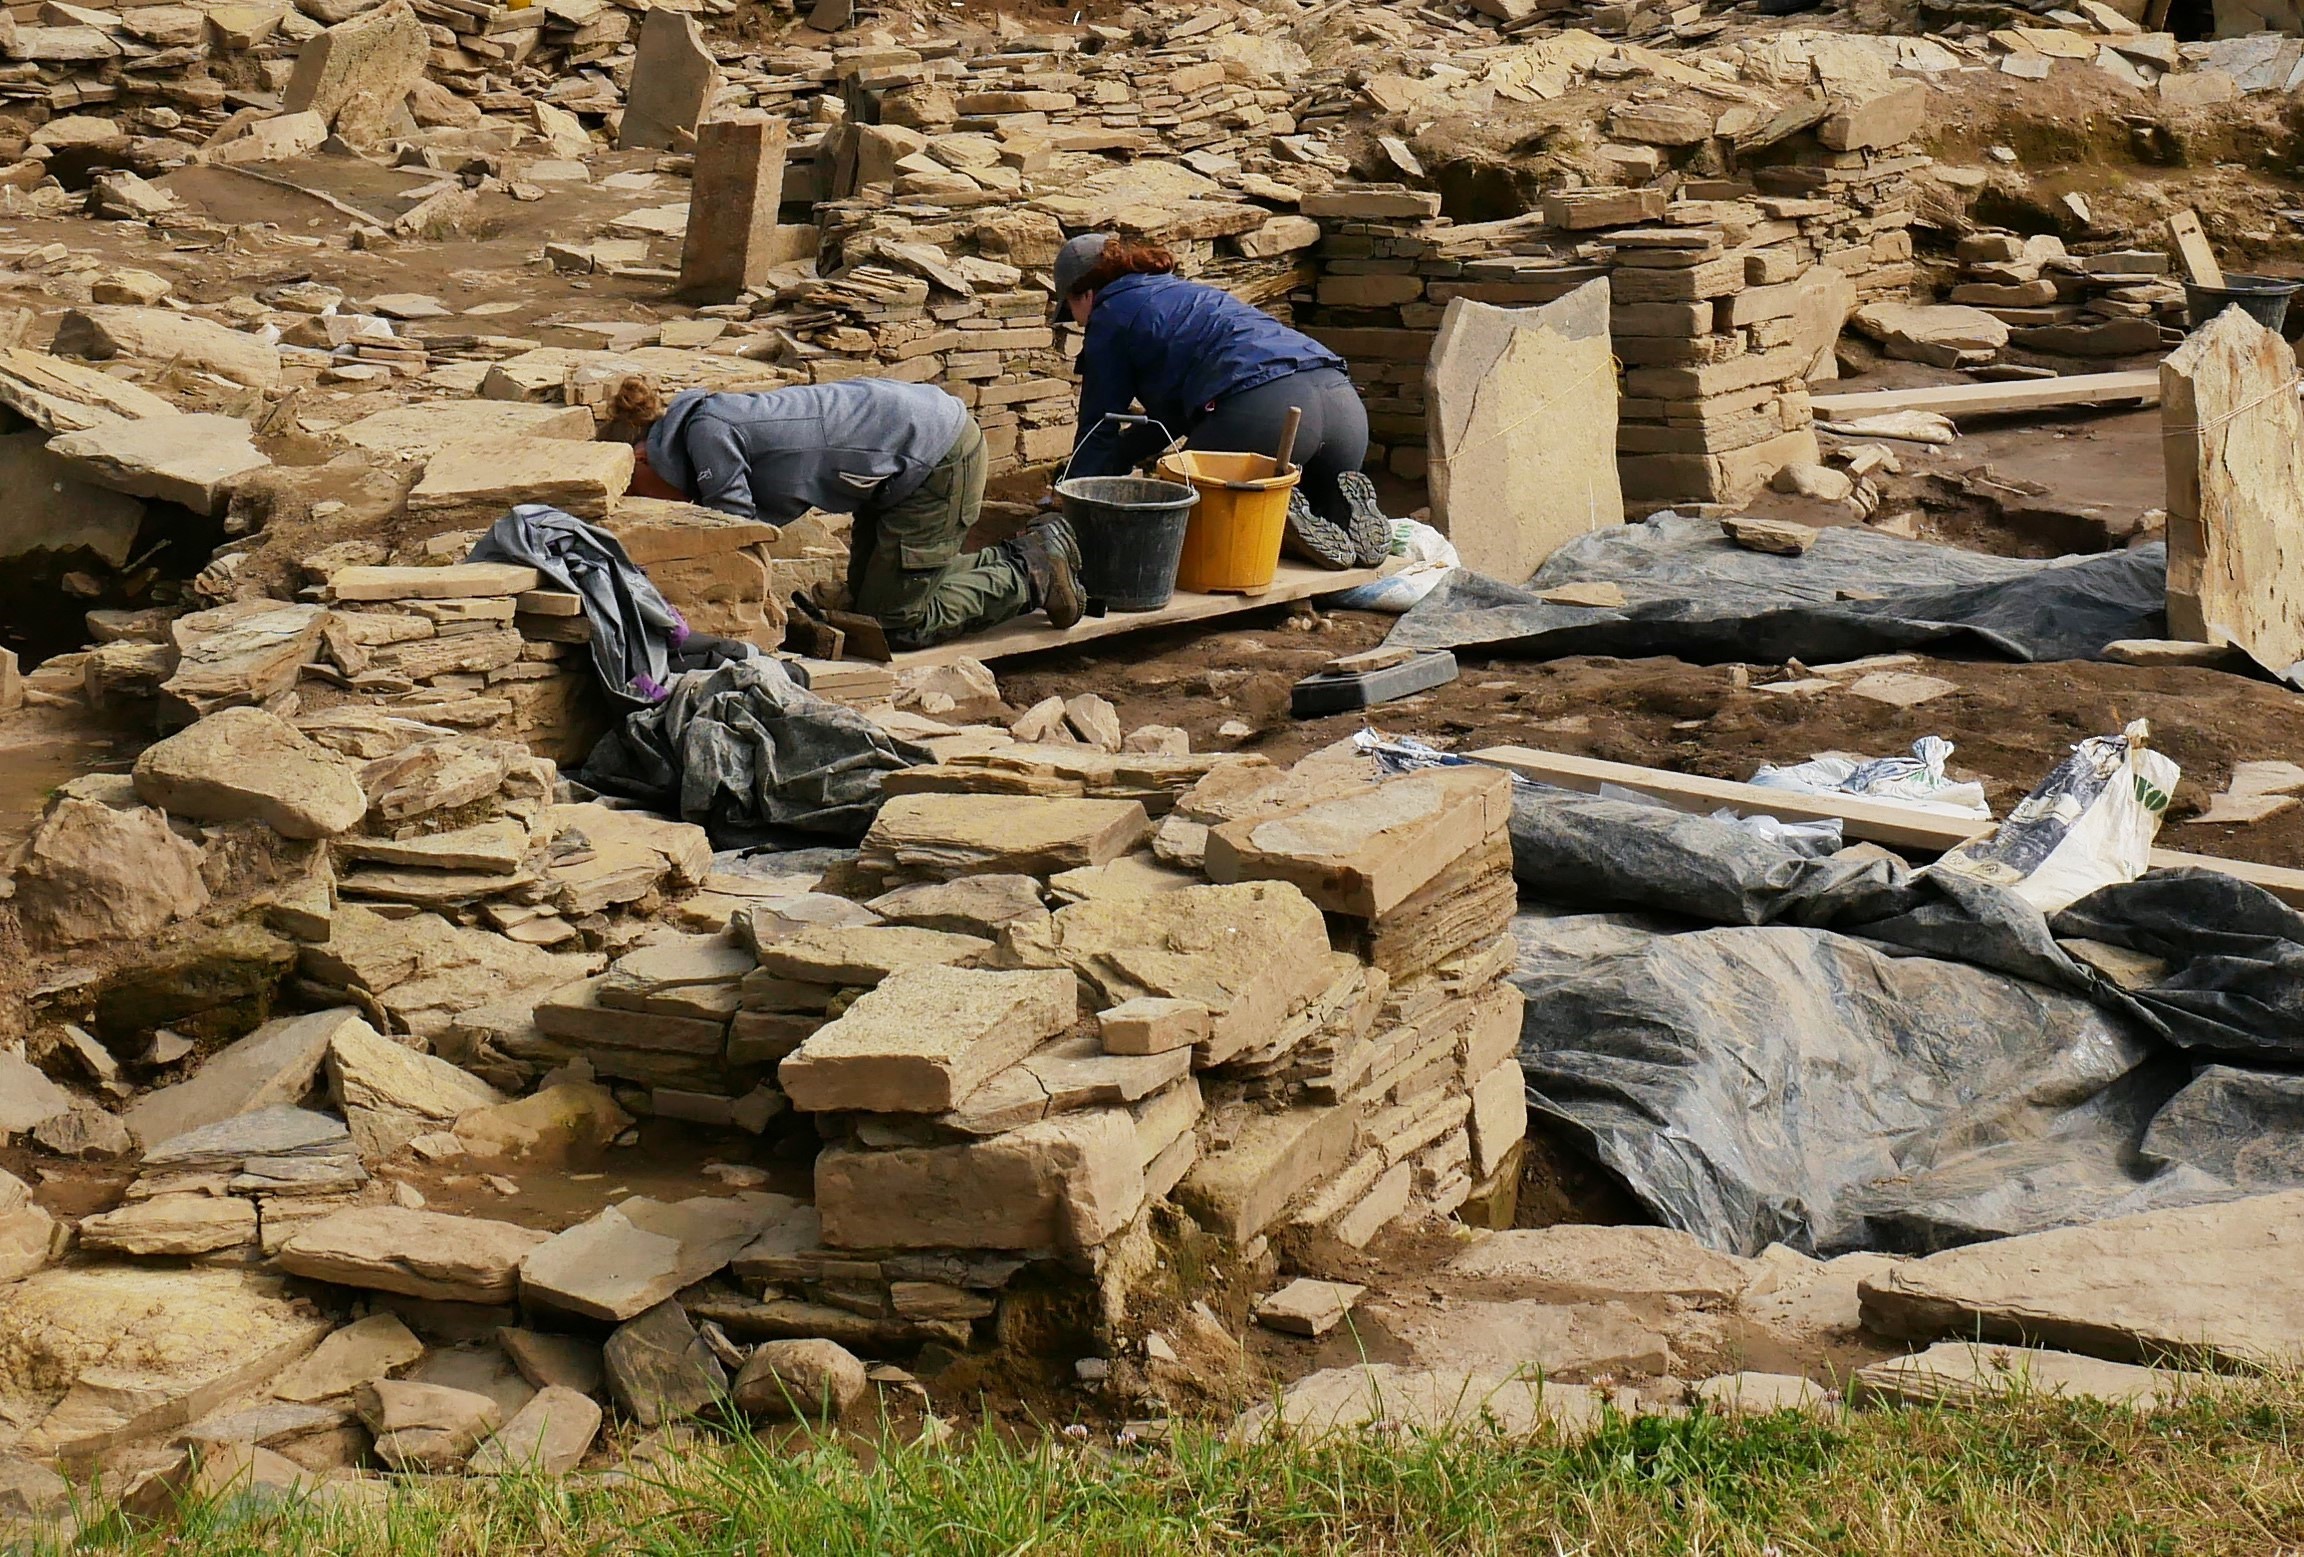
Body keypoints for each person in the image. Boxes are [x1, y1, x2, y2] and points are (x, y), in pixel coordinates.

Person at [610, 375, 1085, 651]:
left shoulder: (707, 434)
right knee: (865, 602)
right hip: (897, 467)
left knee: (895, 625)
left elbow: (736, 538)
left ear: (642, 458)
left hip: (937, 459)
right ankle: (1026, 555)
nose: (651, 508)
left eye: (634, 492)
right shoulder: (701, 425)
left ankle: (1032, 572)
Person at [1054, 232, 1392, 570]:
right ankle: (1335, 510)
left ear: (1086, 293)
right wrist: (1116, 460)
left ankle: (1282, 526)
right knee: (1321, 518)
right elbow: (1169, 421)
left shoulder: (1110, 314)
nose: (1078, 321)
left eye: (1070, 309)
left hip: (1263, 414)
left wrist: (1072, 495)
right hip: (1341, 405)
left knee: (1174, 528)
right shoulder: (1183, 294)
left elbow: (1100, 425)